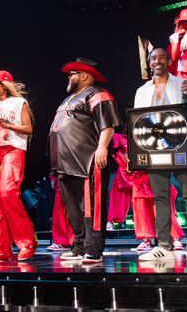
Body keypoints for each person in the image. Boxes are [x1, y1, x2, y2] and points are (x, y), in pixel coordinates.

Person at [48, 58, 122, 264]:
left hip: (86, 160)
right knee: (73, 209)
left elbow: (107, 124)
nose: (69, 77)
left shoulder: (97, 94)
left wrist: (102, 147)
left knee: (91, 207)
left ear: (84, 75)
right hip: (64, 163)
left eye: (72, 73)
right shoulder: (69, 99)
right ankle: (79, 246)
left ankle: (93, 248)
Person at [135, 48, 187, 262]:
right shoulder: (142, 90)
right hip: (154, 148)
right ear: (149, 62)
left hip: (181, 146)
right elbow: (137, 122)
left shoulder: (183, 84)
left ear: (169, 60)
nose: (158, 61)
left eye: (162, 57)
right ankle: (164, 245)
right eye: (153, 58)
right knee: (160, 197)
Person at [0, 70, 37, 261]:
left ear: (5, 85)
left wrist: (8, 126)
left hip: (12, 149)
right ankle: (0, 249)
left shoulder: (19, 103)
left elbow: (28, 128)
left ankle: (27, 243)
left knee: (8, 193)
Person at [106, 132, 185, 252]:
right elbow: (124, 157)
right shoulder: (119, 138)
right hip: (137, 178)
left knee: (162, 206)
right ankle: (147, 240)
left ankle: (175, 238)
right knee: (141, 209)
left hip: (153, 172)